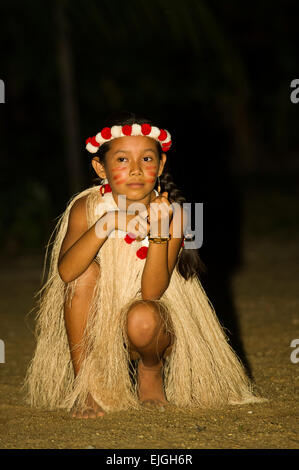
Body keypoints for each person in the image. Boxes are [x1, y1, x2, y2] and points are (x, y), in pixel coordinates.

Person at [24, 111, 263, 419]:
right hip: (96, 319)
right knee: (85, 272)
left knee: (142, 318)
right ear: (100, 167)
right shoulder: (88, 207)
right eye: (122, 160)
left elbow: (151, 293)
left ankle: (151, 370)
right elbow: (67, 272)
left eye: (147, 159)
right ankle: (86, 387)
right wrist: (108, 223)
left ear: (161, 165)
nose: (136, 169)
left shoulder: (175, 214)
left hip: (151, 319)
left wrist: (160, 234)